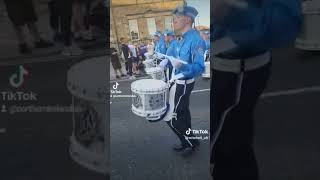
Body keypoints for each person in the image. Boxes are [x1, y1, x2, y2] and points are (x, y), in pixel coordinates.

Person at [210, 0, 301, 179]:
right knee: (232, 144)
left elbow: (283, 23)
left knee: (228, 151)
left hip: (235, 70)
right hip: (218, 64)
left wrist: (227, 14)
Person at [161, 5, 206, 156]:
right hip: (176, 80)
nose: (173, 21)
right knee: (183, 114)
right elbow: (172, 54)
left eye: (176, 18)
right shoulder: (180, 38)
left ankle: (188, 143)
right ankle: (192, 141)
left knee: (170, 116)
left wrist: (183, 68)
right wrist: (165, 62)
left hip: (183, 83)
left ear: (187, 19)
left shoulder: (197, 40)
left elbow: (199, 67)